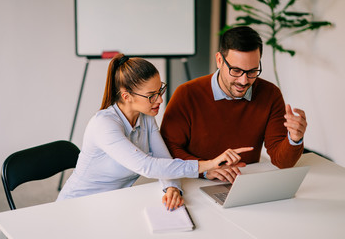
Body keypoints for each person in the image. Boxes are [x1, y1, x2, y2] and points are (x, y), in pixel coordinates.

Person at [57, 53, 252, 210]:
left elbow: (163, 161)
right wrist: (208, 164)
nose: (160, 100)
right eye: (152, 96)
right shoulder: (104, 125)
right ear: (126, 96)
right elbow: (147, 167)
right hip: (76, 206)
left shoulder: (145, 117)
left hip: (112, 203)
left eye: (160, 91)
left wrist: (172, 187)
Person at [160, 26, 307, 183]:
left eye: (252, 71)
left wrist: (294, 139)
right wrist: (205, 169)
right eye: (236, 71)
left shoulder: (270, 94)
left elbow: (282, 162)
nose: (244, 81)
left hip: (243, 182)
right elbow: (168, 151)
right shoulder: (187, 94)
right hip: (194, 182)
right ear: (219, 60)